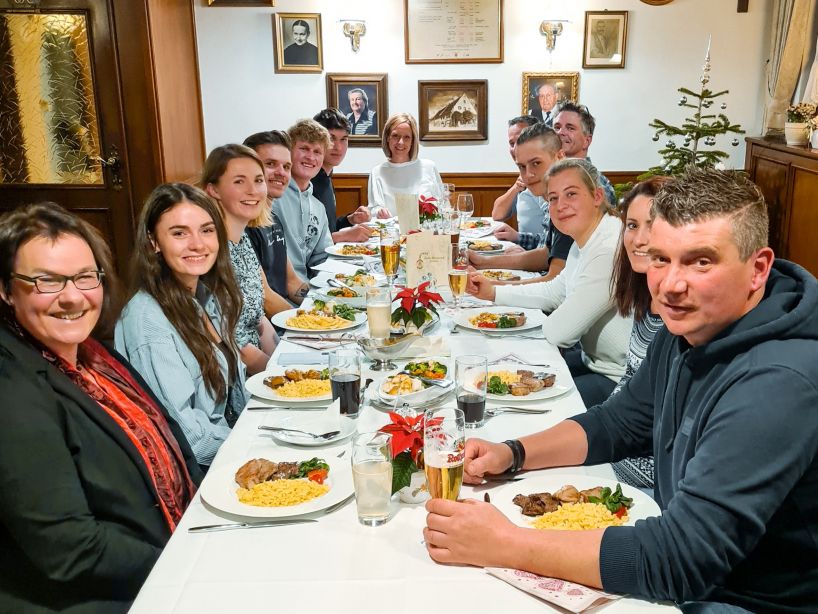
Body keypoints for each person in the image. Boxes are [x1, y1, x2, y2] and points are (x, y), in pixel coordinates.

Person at [425, 167, 818, 613]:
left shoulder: (779, 381)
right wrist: (512, 452)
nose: (671, 284)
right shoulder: (691, 324)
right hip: (695, 569)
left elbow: (681, 558)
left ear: (758, 269)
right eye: (661, 258)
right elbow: (623, 420)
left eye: (700, 261)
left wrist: (506, 543)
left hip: (745, 600)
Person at [0, 203, 200, 612]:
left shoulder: (93, 354)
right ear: (5, 289)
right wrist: (191, 565)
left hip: (171, 549)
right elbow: (71, 549)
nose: (73, 297)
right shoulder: (12, 388)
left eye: (85, 277)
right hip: (105, 596)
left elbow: (174, 449)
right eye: (46, 281)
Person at [468, 158, 631, 407]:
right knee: (495, 378)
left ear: (597, 196)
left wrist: (509, 344)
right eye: (553, 198)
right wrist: (492, 292)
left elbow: (559, 333)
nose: (561, 205)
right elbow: (555, 290)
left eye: (571, 194)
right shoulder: (586, 237)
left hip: (620, 379)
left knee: (512, 402)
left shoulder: (607, 249)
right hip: (594, 362)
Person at [116, 182, 247, 467]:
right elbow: (189, 438)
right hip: (201, 470)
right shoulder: (148, 322)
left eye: (207, 230)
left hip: (231, 445)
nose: (198, 244)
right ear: (154, 242)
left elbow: (234, 397)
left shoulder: (205, 294)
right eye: (179, 233)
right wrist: (252, 444)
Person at [607, 176, 671, 489]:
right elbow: (629, 379)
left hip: (647, 483)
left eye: (652, 225)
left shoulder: (679, 318)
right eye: (632, 225)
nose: (639, 239)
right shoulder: (647, 300)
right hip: (616, 456)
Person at [201, 144, 278, 375]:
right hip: (235, 377)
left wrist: (285, 359)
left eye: (258, 180)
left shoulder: (242, 239)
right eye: (239, 181)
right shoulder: (209, 250)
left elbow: (258, 317)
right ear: (213, 190)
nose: (253, 190)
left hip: (260, 367)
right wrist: (282, 375)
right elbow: (232, 343)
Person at [477, 123, 572, 284]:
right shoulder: (554, 198)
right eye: (521, 167)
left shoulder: (570, 204)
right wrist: (482, 262)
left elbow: (554, 285)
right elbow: (547, 255)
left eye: (536, 163)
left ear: (560, 157)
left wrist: (493, 286)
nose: (528, 175)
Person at [242, 130, 311, 313]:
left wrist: (328, 303)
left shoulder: (273, 220)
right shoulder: (242, 227)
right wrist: (309, 321)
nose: (281, 173)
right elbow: (265, 298)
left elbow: (292, 282)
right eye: (271, 164)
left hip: (282, 319)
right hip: (268, 329)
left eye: (287, 167)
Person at [273, 119, 335, 280]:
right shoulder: (271, 197)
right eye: (304, 149)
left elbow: (323, 257)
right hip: (276, 290)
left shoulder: (318, 208)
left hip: (307, 288)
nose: (310, 157)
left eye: (317, 152)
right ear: (289, 151)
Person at [312, 108, 373, 243]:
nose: (338, 147)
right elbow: (304, 243)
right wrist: (343, 236)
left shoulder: (326, 175)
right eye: (331, 139)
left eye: (343, 139)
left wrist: (350, 219)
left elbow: (328, 228)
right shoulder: (307, 180)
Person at [368, 112, 443, 218]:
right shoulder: (377, 172)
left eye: (407, 137)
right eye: (395, 136)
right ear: (387, 137)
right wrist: (379, 212)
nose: (401, 142)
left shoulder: (429, 167)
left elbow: (442, 204)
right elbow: (374, 209)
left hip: (424, 232)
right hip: (390, 232)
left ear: (413, 141)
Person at [552, 102, 616, 207]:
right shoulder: (544, 173)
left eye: (570, 128)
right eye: (557, 127)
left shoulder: (596, 181)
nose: (561, 132)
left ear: (587, 141)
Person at [490, 115, 540, 229]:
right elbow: (497, 214)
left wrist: (517, 238)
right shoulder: (522, 177)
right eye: (512, 144)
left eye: (520, 141)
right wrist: (516, 187)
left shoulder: (545, 177)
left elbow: (549, 242)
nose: (515, 148)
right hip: (524, 246)